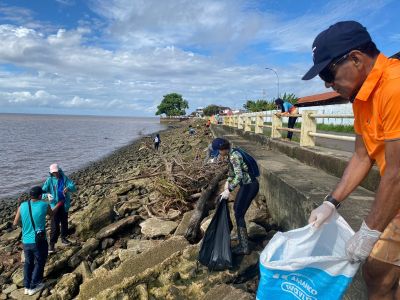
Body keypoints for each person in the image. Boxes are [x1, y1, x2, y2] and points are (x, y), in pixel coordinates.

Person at [303, 21, 400, 299]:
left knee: (379, 270)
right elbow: (362, 155)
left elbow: (397, 171)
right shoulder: (361, 98)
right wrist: (330, 203)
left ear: (356, 58)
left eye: (328, 73)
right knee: (378, 272)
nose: (327, 83)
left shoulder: (394, 86)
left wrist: (369, 231)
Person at [212, 138, 259, 255]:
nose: (219, 153)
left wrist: (229, 189)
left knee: (238, 213)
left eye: (218, 151)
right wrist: (228, 182)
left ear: (223, 149)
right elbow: (232, 173)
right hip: (247, 185)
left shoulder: (234, 156)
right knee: (237, 211)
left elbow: (238, 176)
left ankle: (244, 247)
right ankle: (243, 244)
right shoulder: (232, 153)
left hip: (250, 186)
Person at [13, 186, 52, 296]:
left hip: (26, 241)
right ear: (40, 196)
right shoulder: (44, 205)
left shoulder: (22, 206)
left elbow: (15, 223)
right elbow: (52, 215)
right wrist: (56, 204)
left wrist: (25, 225)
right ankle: (33, 286)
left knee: (28, 263)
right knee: (40, 262)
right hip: (39, 240)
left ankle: (26, 286)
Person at [42, 163, 76, 253]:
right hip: (55, 206)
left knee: (64, 222)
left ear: (59, 170)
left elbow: (74, 187)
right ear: (51, 173)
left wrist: (68, 188)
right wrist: (50, 200)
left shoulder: (64, 178)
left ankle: (64, 238)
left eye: (56, 172)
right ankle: (52, 244)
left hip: (64, 204)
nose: (55, 174)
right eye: (53, 173)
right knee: (54, 225)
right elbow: (42, 193)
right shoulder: (49, 180)